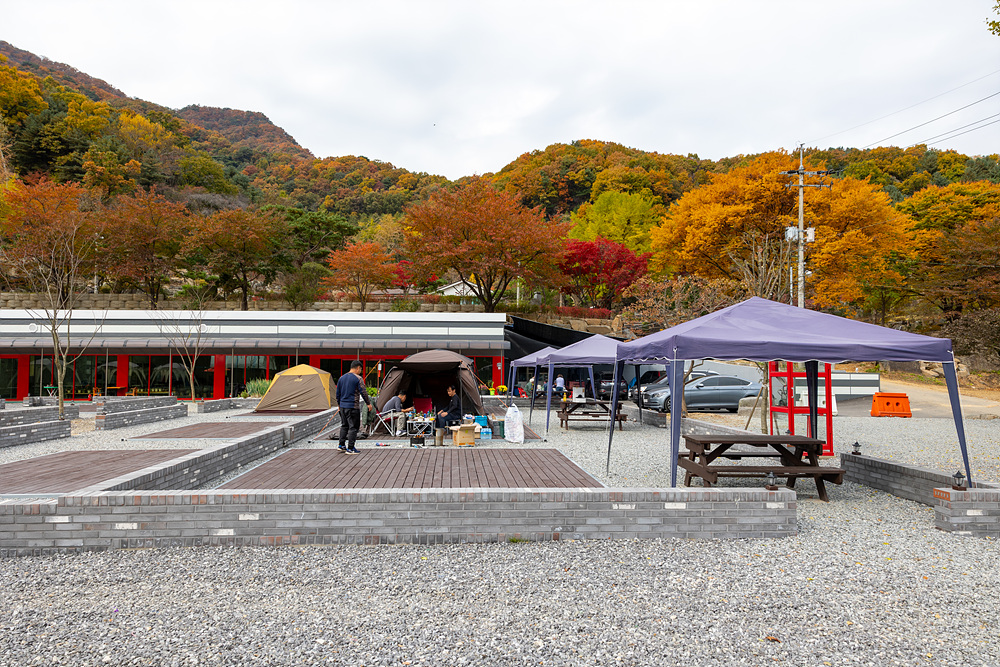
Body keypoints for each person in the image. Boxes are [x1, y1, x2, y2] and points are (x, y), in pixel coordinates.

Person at [336, 360, 371, 454]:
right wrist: (368, 403)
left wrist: (339, 405)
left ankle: (341, 445)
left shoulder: (341, 378)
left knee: (344, 425)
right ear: (358, 368)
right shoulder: (358, 378)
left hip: (343, 406)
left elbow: (337, 394)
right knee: (353, 427)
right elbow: (363, 392)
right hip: (352, 406)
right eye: (361, 369)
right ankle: (350, 448)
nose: (360, 371)